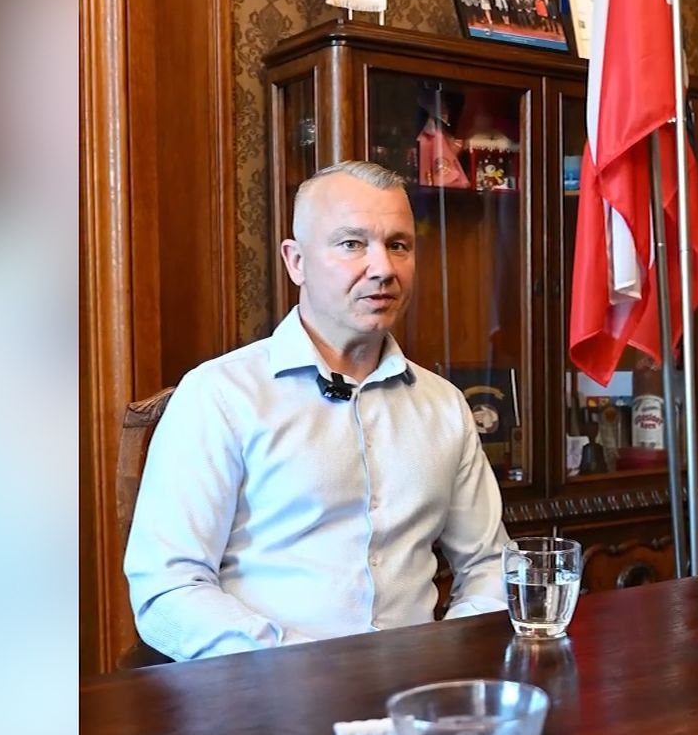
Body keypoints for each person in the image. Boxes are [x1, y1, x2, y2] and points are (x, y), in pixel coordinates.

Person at [125, 160, 510, 659]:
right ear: (296, 262)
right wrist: (301, 670)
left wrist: (442, 658)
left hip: (418, 689)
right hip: (264, 688)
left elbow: (490, 566)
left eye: (399, 245)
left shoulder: (444, 405)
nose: (383, 269)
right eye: (352, 244)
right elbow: (167, 592)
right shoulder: (219, 395)